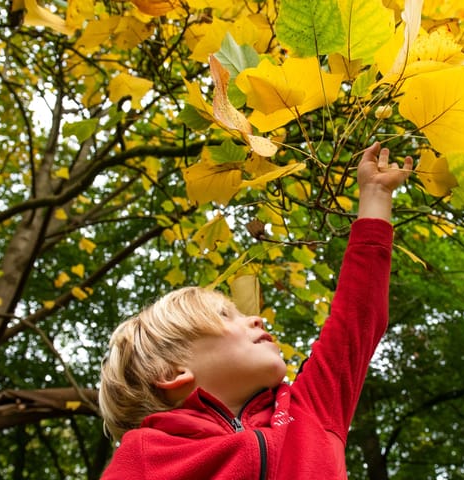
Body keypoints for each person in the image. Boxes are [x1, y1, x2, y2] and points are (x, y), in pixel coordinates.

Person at [99, 141, 412, 479]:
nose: (256, 318)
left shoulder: (312, 410)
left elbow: (356, 319)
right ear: (173, 373)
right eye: (224, 315)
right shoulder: (145, 456)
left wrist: (376, 194)